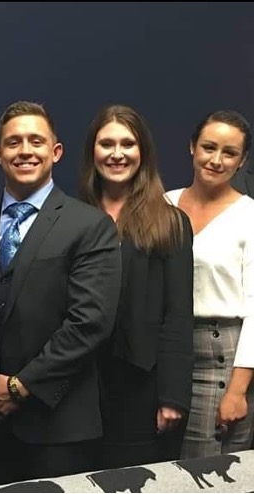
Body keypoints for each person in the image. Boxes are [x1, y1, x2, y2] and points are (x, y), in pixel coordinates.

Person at [0, 101, 122, 487]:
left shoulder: (90, 225)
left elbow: (90, 322)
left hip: (60, 426)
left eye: (36, 141)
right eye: (13, 142)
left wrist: (20, 386)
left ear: (56, 152)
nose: (25, 150)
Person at [78, 104, 193, 468]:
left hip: (141, 385)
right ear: (91, 152)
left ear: (142, 152)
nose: (116, 154)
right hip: (78, 384)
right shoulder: (70, 216)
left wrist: (173, 396)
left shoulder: (170, 222)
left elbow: (177, 313)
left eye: (127, 144)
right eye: (106, 143)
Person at [165, 110, 254, 458]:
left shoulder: (249, 215)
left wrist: (237, 391)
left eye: (229, 152)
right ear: (192, 147)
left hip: (225, 358)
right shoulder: (164, 204)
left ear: (242, 160)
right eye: (208, 147)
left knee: (204, 469)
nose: (216, 160)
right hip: (170, 353)